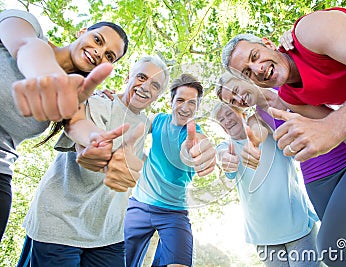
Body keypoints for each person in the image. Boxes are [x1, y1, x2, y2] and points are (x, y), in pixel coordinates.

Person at [215, 73, 346, 266]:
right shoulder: (259, 116)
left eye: (235, 91)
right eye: (232, 101)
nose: (238, 99)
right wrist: (251, 144)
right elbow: (256, 131)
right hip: (316, 185)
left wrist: (287, 42)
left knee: (332, 250)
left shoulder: (286, 85)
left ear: (244, 77)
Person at [17, 56, 169, 267]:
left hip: (107, 233)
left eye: (155, 85)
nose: (145, 87)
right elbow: (84, 140)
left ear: (158, 95)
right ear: (128, 77)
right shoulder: (99, 102)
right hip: (61, 224)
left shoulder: (144, 123)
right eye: (141, 77)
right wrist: (99, 152)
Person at [0, 9, 128, 241]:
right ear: (82, 32)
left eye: (109, 56)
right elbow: (26, 45)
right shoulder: (26, 25)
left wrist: (99, 141)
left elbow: (79, 125)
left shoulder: (77, 96)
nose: (99, 53)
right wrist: (47, 77)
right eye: (97, 40)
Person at [221, 2, 346, 162]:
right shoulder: (291, 99)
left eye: (255, 56)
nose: (257, 69)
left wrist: (332, 126)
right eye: (247, 73)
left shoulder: (309, 31)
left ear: (268, 44)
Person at [124, 73, 216, 267]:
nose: (185, 107)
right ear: (171, 102)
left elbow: (192, 148)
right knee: (117, 259)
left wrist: (195, 151)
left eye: (192, 102)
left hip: (174, 213)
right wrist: (114, 98)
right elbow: (132, 126)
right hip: (140, 204)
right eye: (180, 100)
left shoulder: (196, 134)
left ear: (198, 107)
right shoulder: (158, 121)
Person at [214, 100, 321, 267]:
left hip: (297, 226)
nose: (226, 120)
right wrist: (225, 159)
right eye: (221, 119)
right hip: (263, 236)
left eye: (229, 114)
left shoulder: (271, 135)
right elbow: (221, 157)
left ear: (243, 113)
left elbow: (298, 151)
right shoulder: (226, 147)